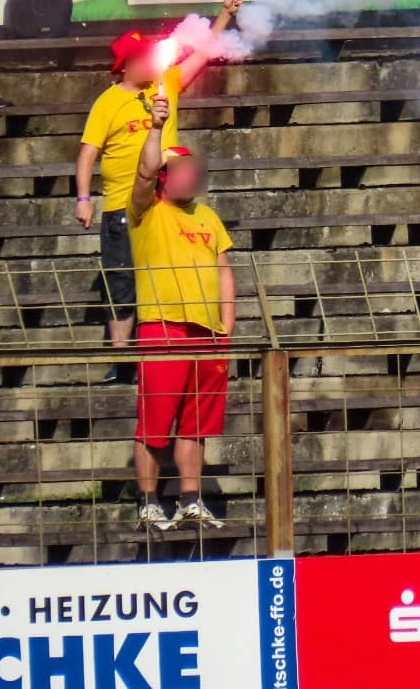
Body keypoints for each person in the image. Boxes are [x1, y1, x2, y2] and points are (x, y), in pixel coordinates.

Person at [76, 0, 241, 383]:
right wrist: (84, 199)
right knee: (121, 279)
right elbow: (86, 155)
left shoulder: (166, 81)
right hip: (121, 204)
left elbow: (203, 51)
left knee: (164, 274)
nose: (152, 60)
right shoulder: (108, 102)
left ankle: (165, 351)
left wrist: (225, 15)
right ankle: (122, 361)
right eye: (143, 57)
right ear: (127, 65)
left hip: (164, 205)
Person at [127, 92, 235, 530]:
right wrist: (155, 126)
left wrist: (226, 328)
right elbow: (142, 171)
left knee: (196, 424)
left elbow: (225, 271)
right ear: (164, 178)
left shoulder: (207, 215)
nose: (189, 177)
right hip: (163, 327)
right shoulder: (146, 211)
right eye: (178, 170)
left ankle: (190, 499)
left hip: (206, 333)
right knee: (154, 422)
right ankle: (148, 502)